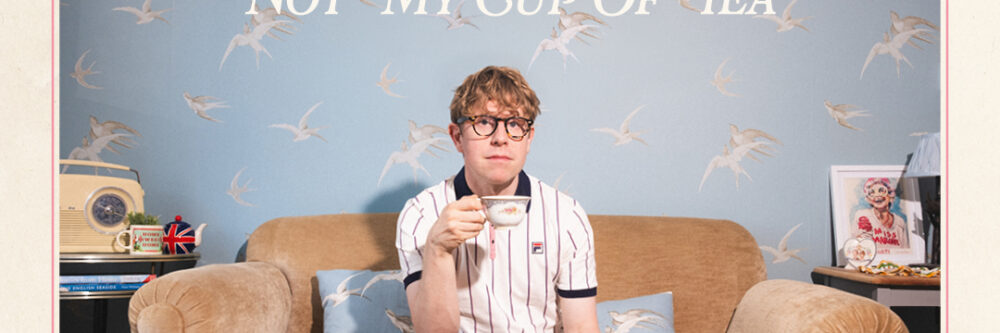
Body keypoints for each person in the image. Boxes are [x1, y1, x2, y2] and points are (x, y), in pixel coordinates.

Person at [395, 66, 599, 332]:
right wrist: (438, 249)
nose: (501, 138)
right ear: (457, 137)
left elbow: (581, 327)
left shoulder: (566, 215)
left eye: (515, 124)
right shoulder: (420, 215)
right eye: (483, 122)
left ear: (528, 139)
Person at [852, 177, 908, 251]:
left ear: (891, 196)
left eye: (882, 191)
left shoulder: (900, 222)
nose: (877, 196)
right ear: (868, 199)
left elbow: (905, 252)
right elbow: (854, 248)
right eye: (872, 192)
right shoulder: (862, 216)